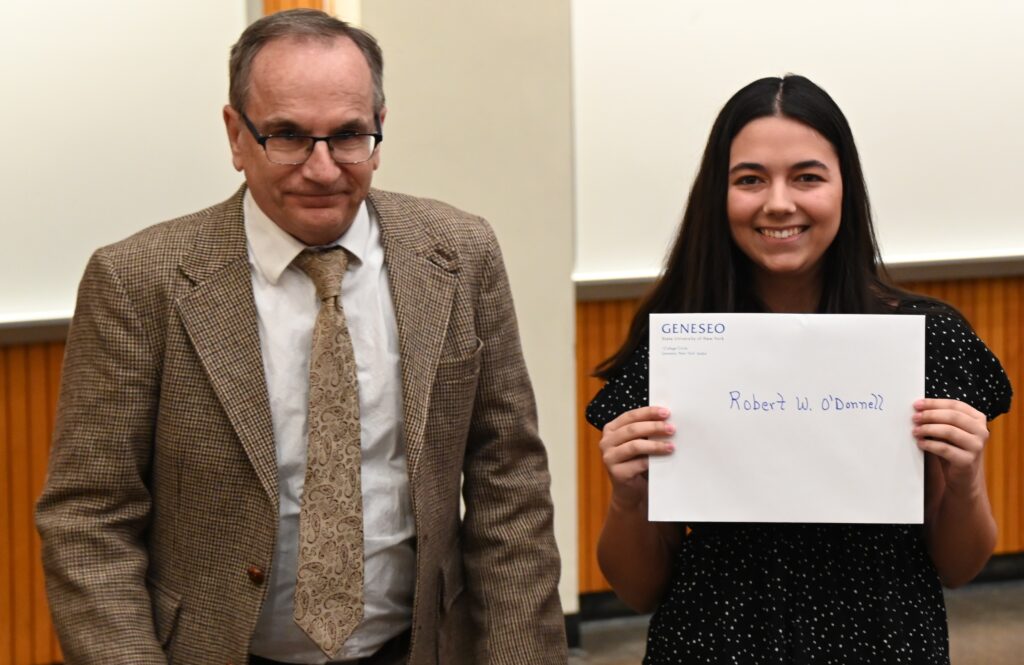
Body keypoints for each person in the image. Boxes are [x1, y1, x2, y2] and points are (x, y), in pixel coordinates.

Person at [36, 9, 566, 665]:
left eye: (348, 136)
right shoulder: (139, 281)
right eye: (287, 136)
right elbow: (90, 519)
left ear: (379, 129)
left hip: (419, 647)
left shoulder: (460, 255)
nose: (322, 169)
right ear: (236, 135)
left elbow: (508, 484)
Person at [587, 74, 1012, 664]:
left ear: (845, 189)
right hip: (712, 643)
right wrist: (626, 498)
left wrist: (966, 481)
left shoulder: (923, 338)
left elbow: (959, 568)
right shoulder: (679, 347)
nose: (779, 202)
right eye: (750, 179)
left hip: (885, 642)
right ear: (718, 194)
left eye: (807, 177)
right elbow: (638, 591)